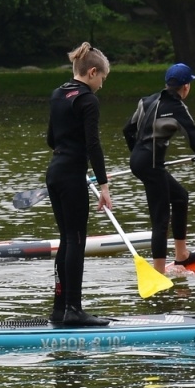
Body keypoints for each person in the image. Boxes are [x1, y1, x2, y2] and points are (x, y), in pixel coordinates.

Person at [123, 62, 195, 273]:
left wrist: (138, 155)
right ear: (186, 87)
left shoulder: (146, 101)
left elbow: (128, 130)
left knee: (180, 196)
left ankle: (182, 255)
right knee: (160, 219)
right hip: (150, 165)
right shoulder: (178, 108)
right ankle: (159, 272)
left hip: (141, 161)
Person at [46, 42, 113, 327]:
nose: (101, 85)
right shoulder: (87, 100)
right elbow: (93, 145)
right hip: (72, 174)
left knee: (66, 240)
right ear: (92, 72)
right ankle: (74, 309)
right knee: (76, 241)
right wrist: (104, 184)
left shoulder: (58, 94)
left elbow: (51, 139)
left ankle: (60, 308)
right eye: (102, 79)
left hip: (55, 172)